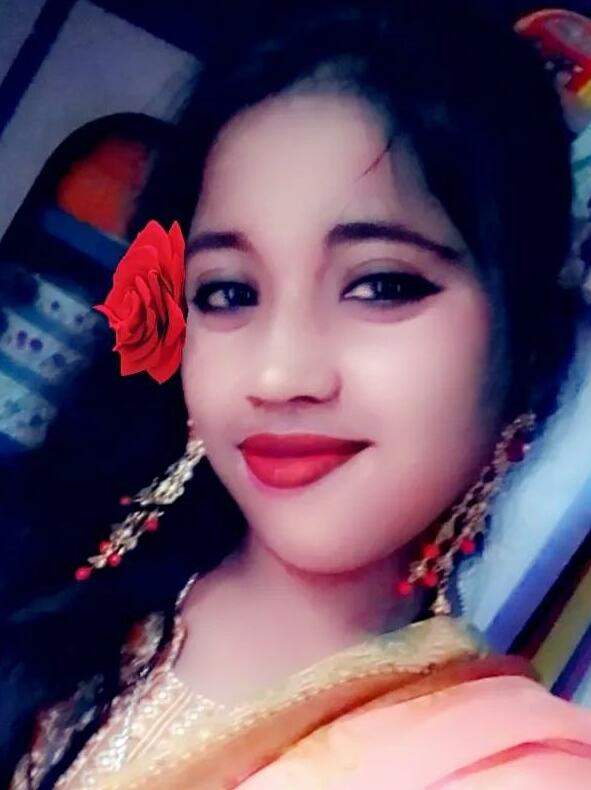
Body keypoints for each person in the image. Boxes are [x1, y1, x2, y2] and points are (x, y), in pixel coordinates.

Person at [2, 1, 591, 787]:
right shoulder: (47, 578)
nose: (277, 375)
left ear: (523, 344)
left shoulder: (506, 768)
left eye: (381, 285)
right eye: (228, 292)